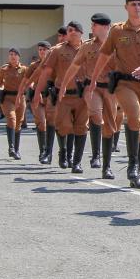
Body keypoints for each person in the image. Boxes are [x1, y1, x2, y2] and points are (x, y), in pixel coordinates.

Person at [89, 0, 140, 189]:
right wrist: (93, 79)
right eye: (133, 4)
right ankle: (132, 166)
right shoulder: (117, 31)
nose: (137, 7)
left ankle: (136, 171)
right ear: (126, 7)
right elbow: (104, 55)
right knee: (135, 118)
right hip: (125, 83)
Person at [59, 14, 114, 174]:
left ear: (105, 27)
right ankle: (95, 155)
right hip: (92, 87)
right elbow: (75, 66)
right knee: (96, 114)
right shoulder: (88, 46)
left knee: (110, 127)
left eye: (94, 26)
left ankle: (107, 166)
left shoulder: (117, 46)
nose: (91, 28)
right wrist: (63, 85)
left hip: (111, 89)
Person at [38, 21, 86, 172]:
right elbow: (46, 72)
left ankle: (74, 159)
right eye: (69, 30)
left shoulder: (88, 48)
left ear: (81, 33)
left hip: (82, 95)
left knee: (79, 127)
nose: (71, 33)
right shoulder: (57, 50)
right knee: (62, 125)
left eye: (75, 30)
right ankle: (62, 151)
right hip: (61, 94)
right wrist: (39, 90)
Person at [0, 48, 27, 159]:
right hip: (7, 98)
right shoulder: (4, 69)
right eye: (10, 54)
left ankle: (16, 150)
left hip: (20, 98)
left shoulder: (25, 69)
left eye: (15, 54)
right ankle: (11, 148)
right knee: (11, 119)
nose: (12, 56)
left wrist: (34, 88)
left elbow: (30, 80)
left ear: (19, 57)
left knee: (18, 124)